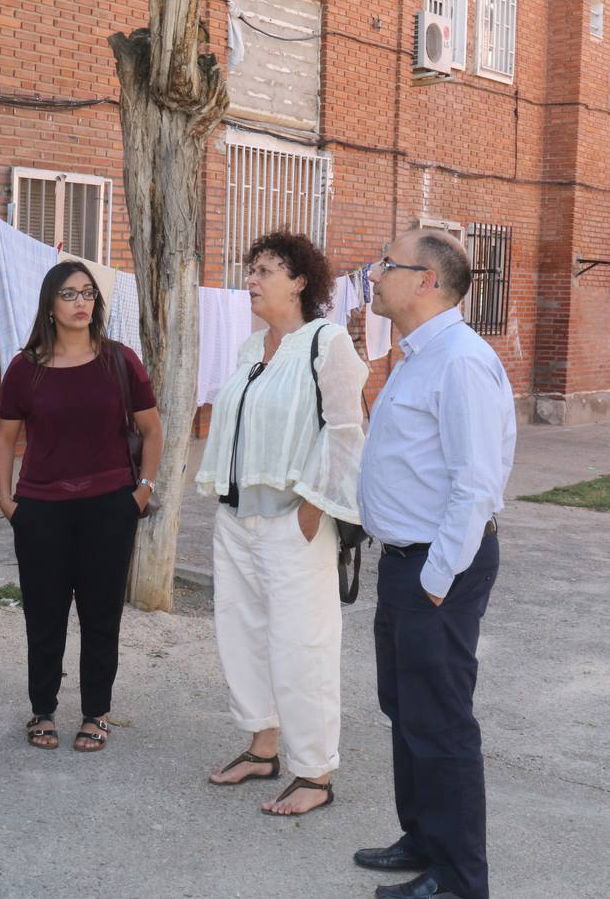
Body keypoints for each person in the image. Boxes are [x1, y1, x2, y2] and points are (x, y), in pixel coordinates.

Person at [354, 229, 515, 899]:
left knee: (441, 719)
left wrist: (436, 580)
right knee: (406, 706)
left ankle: (458, 878)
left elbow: (475, 483)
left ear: (424, 280)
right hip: (406, 562)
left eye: (384, 264)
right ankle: (422, 836)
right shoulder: (417, 354)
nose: (372, 273)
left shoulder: (459, 361)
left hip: (437, 566)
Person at [195, 230, 368, 815]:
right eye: (251, 270)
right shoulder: (250, 349)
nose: (252, 280)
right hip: (237, 518)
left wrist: (315, 506)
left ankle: (314, 773)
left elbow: (346, 432)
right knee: (241, 636)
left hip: (295, 521)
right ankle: (262, 747)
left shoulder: (327, 341)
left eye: (266, 270)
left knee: (303, 644)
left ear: (299, 281)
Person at [0, 261, 161, 753]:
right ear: (49, 304)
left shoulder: (120, 361)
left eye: (87, 293)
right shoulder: (25, 369)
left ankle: (96, 713)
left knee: (100, 615)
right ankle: (41, 710)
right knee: (43, 615)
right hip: (41, 510)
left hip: (109, 507)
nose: (81, 303)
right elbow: (5, 439)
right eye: (69, 294)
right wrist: (7, 500)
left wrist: (142, 490)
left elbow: (152, 430)